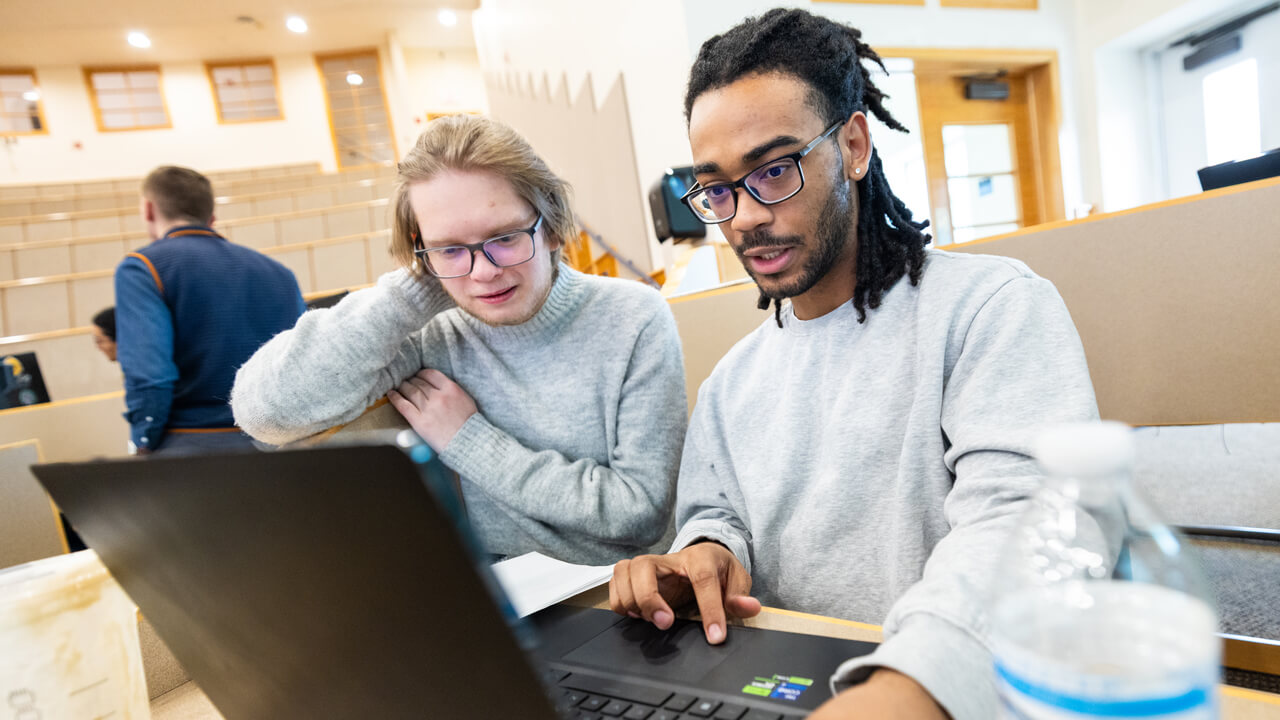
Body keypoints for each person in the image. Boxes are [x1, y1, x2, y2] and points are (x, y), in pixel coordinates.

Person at [608, 10, 1099, 720]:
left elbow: (1032, 524)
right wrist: (703, 553)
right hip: (776, 690)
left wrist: (909, 687)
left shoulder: (992, 309)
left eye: (773, 170)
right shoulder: (732, 383)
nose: (742, 216)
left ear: (855, 145)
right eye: (718, 189)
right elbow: (719, 513)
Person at [231, 115, 687, 566]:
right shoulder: (427, 331)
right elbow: (265, 415)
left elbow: (638, 514)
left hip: (625, 595)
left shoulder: (634, 317)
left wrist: (466, 438)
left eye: (504, 238)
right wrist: (409, 294)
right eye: (450, 248)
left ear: (549, 225)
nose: (483, 272)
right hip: (491, 593)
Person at [114, 166, 305, 455]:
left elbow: (150, 375)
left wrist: (142, 440)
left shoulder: (142, 267)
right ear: (211, 217)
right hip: (279, 443)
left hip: (191, 446)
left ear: (149, 210)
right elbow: (300, 363)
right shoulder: (280, 273)